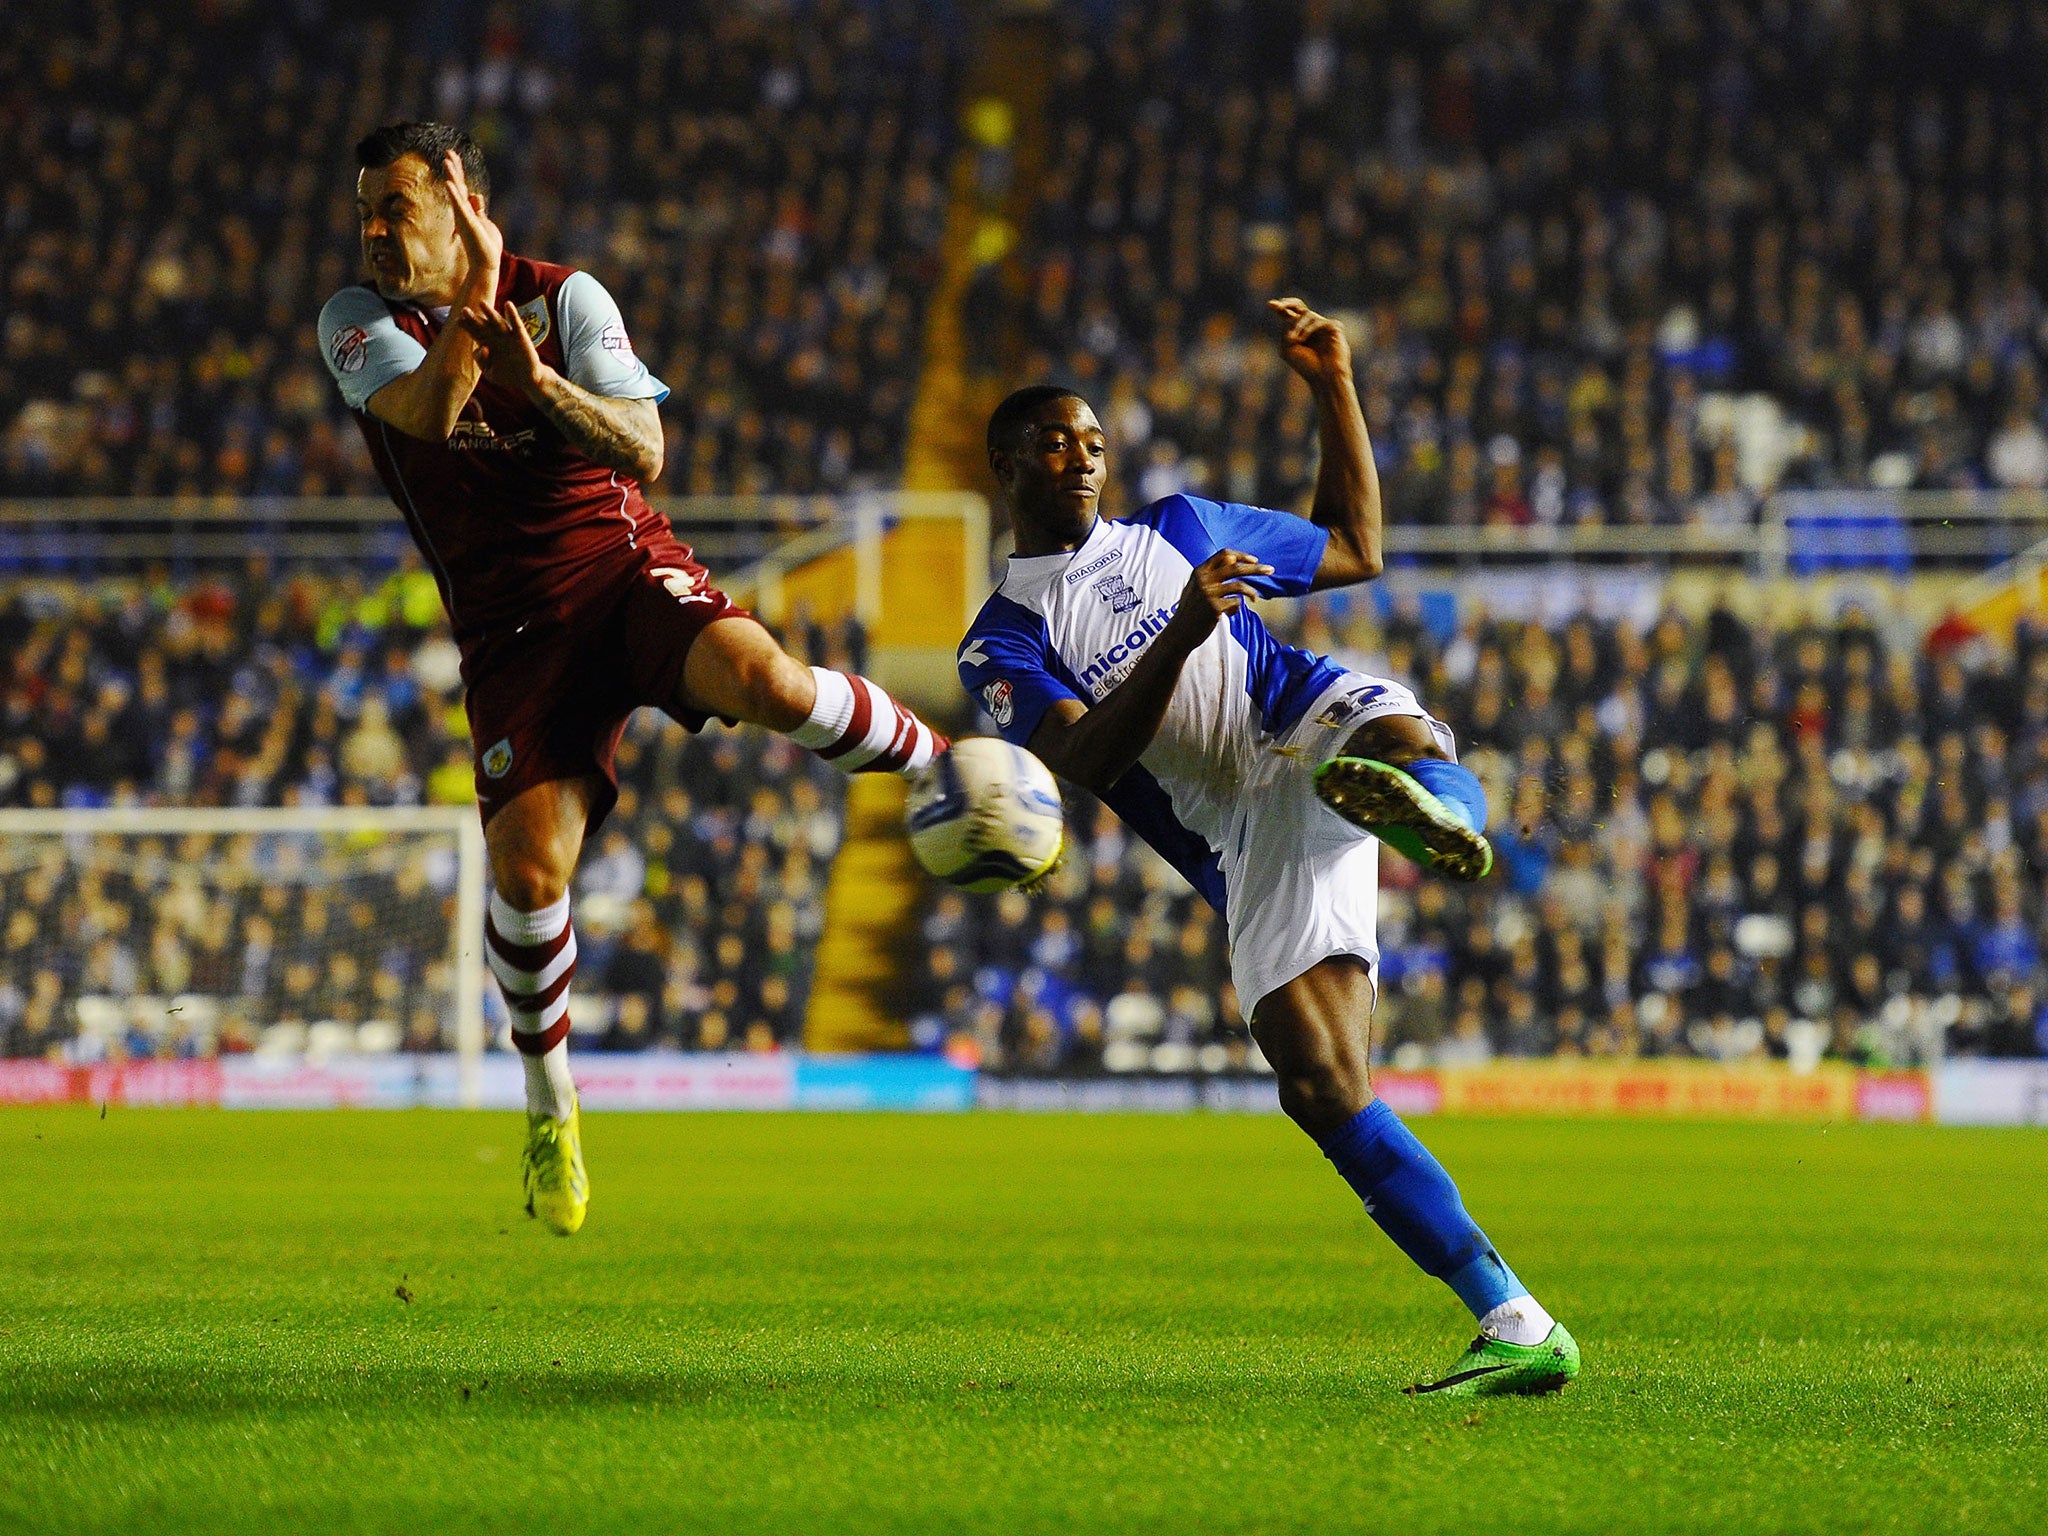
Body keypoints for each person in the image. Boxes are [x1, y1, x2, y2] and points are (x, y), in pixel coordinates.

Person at [317, 123, 945, 1236]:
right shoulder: (356, 323)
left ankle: (945, 766)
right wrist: (476, 332)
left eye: (396, 207)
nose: (372, 230)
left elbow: (643, 451)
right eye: (365, 207)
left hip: (621, 572)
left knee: (777, 688)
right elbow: (424, 416)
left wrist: (539, 380)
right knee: (526, 878)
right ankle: (550, 1099)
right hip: (510, 635)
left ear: (462, 206)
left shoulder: (570, 300)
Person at [957, 299, 1577, 1397]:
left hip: (1297, 718)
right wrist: (1185, 632)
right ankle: (1518, 1320)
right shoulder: (1000, 641)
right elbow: (1089, 760)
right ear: (1003, 463)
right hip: (1234, 832)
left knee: (1391, 730)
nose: (1084, 458)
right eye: (1057, 441)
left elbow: (1353, 548)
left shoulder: (1179, 527)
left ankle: (1442, 817)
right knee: (1320, 1083)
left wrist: (1330, 382)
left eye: (1096, 441)